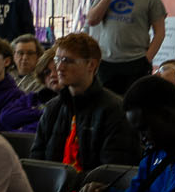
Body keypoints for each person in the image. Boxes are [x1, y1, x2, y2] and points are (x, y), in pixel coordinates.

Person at [32, 32, 137, 169]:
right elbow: (37, 160)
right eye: (57, 60)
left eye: (67, 61)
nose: (59, 67)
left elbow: (111, 171)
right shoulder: (53, 108)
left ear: (91, 65)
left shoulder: (114, 110)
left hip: (92, 183)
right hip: (51, 182)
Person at [88, 0, 167, 91]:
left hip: (136, 61)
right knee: (107, 100)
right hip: (107, 61)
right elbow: (92, 20)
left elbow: (160, 32)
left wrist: (147, 58)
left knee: (135, 101)